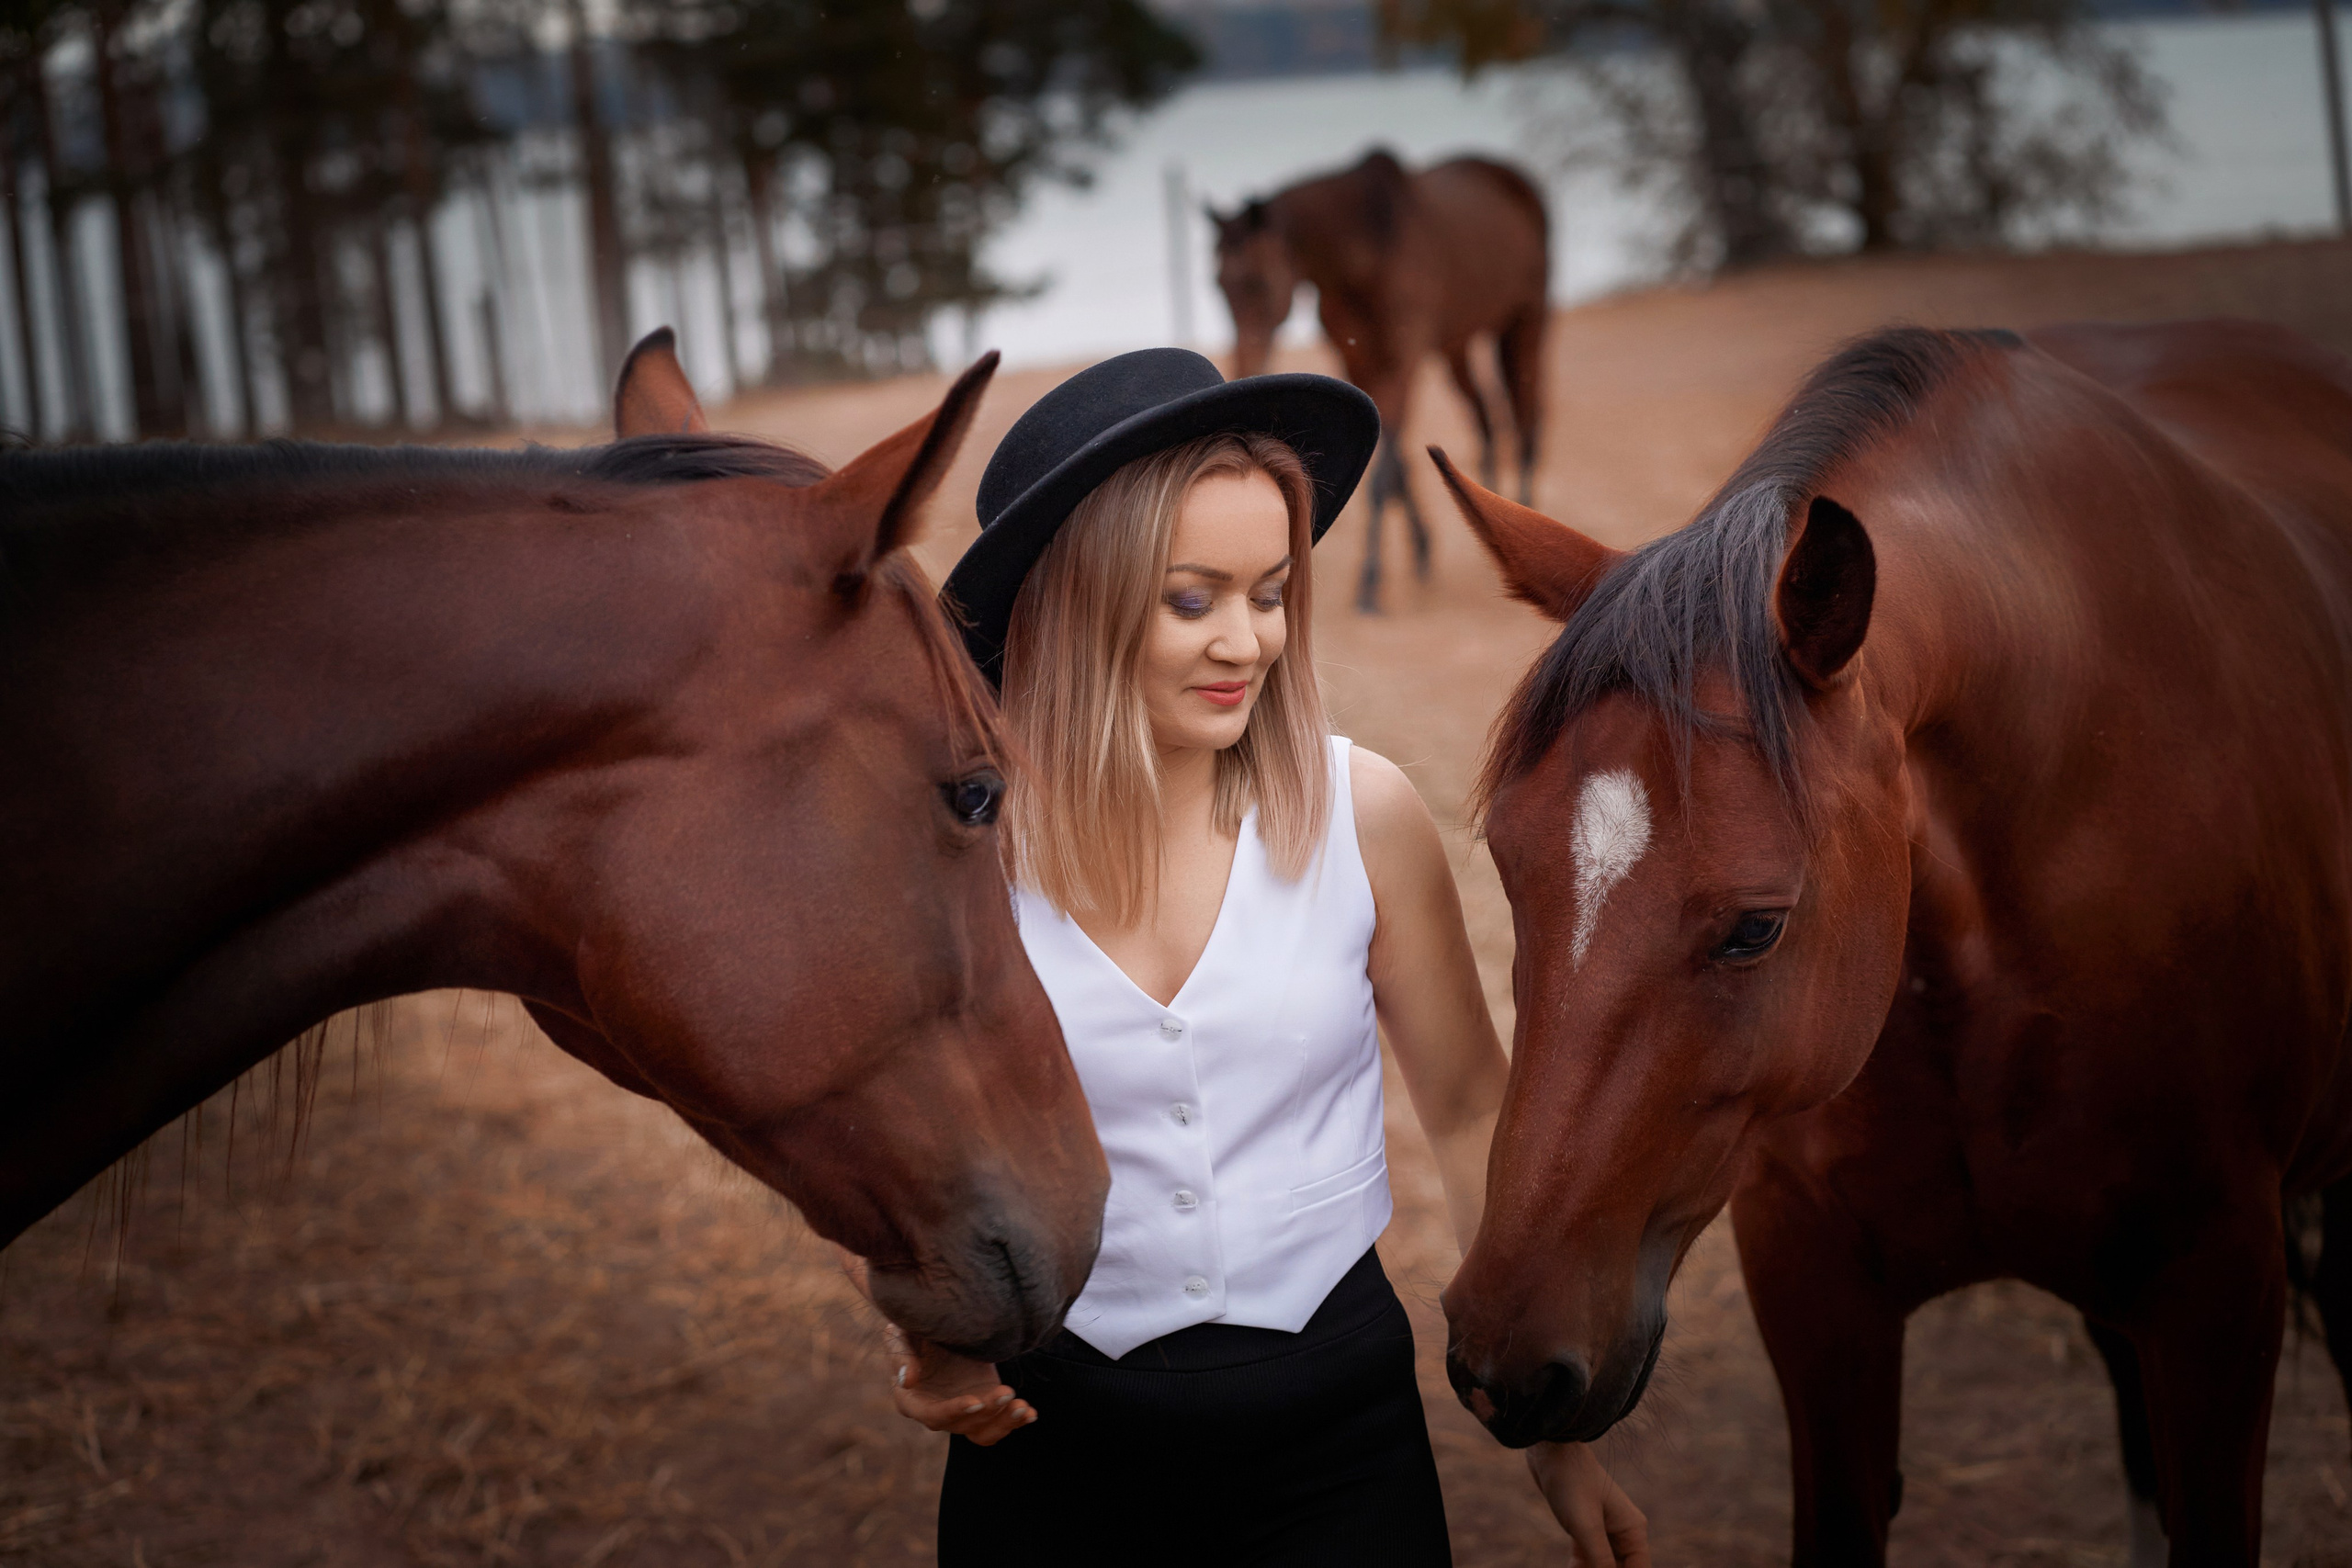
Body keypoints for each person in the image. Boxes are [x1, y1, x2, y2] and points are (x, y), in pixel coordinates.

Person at [888, 349, 1648, 1566]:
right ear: (1075, 603)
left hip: (1339, 1443)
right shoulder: (957, 863)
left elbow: (1468, 1108)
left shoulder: (1366, 815)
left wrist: (1555, 1431)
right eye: (1193, 600)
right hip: (1047, 1447)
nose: (1248, 641)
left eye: (1273, 592)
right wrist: (924, 1334)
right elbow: (877, 1145)